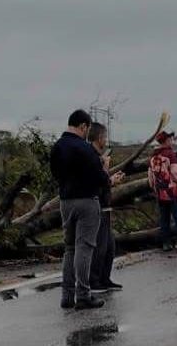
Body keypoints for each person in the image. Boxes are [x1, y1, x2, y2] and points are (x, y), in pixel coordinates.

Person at [50, 110, 116, 309]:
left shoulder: (57, 147)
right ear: (83, 126)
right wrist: (108, 177)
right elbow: (99, 177)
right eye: (87, 128)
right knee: (84, 248)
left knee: (69, 248)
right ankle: (84, 294)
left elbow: (55, 174)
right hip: (87, 201)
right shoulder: (85, 149)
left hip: (66, 201)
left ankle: (67, 295)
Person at [87, 122, 125, 292]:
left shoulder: (97, 156)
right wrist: (108, 174)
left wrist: (110, 178)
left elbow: (102, 180)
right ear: (100, 137)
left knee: (110, 246)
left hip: (105, 205)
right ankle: (94, 281)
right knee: (100, 246)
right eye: (105, 136)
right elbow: (96, 181)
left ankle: (105, 278)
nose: (106, 140)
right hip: (98, 206)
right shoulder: (92, 157)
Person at [148, 131, 177, 252]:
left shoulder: (153, 156)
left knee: (164, 219)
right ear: (166, 141)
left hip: (160, 193)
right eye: (170, 139)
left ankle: (166, 243)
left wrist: (154, 188)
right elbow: (176, 173)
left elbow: (150, 176)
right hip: (173, 192)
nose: (172, 141)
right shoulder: (170, 155)